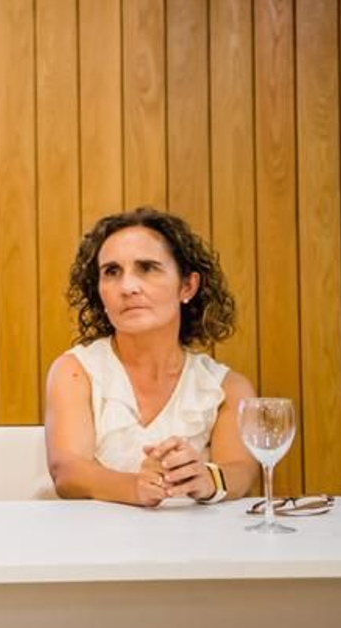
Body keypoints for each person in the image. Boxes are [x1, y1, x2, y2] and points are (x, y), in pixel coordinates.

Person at [45, 207, 258, 507]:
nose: (127, 287)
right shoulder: (74, 371)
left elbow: (243, 470)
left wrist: (207, 479)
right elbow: (67, 472)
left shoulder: (228, 388)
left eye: (147, 268)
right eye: (112, 272)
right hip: (96, 544)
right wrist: (137, 487)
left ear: (187, 286)